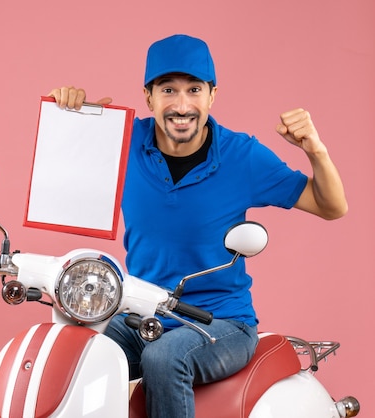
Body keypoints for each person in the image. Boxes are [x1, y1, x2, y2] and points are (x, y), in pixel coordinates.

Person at [48, 34, 347, 418]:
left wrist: (314, 149)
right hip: (142, 313)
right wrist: (66, 114)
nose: (182, 104)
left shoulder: (243, 156)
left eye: (194, 89)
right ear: (148, 97)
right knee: (78, 347)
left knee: (164, 357)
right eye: (168, 89)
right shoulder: (122, 140)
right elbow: (60, 166)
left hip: (223, 322)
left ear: (212, 96)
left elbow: (331, 206)